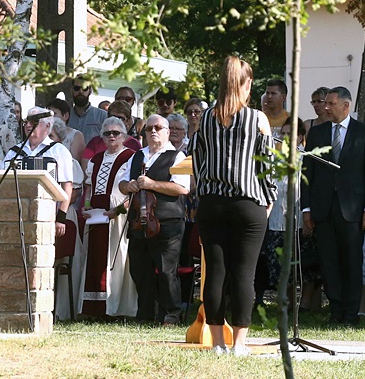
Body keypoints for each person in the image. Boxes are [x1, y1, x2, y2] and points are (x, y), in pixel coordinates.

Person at [190, 56, 277, 355]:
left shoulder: (205, 118)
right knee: (243, 273)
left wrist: (204, 191)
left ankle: (216, 343)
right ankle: (239, 343)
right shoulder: (258, 119)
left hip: (212, 203)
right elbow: (268, 166)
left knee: (214, 272)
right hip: (247, 203)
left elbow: (197, 160)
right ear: (246, 83)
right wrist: (270, 199)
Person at [301, 86, 365, 326]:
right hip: (324, 209)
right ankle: (335, 311)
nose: (326, 107)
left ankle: (351, 313)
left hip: (353, 211)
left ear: (346, 106)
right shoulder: (317, 133)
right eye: (325, 103)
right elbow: (308, 173)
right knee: (329, 262)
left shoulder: (364, 132)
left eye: (331, 104)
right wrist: (307, 209)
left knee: (352, 262)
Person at [0, 106, 78, 318]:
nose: (27, 125)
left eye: (33, 122)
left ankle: (40, 310)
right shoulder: (13, 152)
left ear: (46, 126)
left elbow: (66, 187)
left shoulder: (58, 151)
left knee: (42, 263)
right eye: (26, 121)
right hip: (17, 218)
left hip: (47, 219)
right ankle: (16, 307)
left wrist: (60, 218)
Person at [120, 114, 189, 324]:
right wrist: (128, 186)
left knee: (167, 270)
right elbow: (121, 183)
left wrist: (151, 184)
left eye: (158, 128)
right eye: (148, 129)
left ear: (167, 132)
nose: (152, 132)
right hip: (138, 222)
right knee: (140, 270)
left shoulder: (177, 156)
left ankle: (171, 314)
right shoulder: (136, 156)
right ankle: (145, 314)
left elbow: (182, 188)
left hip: (167, 222)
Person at [80, 117, 137, 318]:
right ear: (102, 137)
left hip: (118, 215)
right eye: (107, 133)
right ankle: (92, 308)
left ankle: (115, 308)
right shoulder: (95, 160)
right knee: (94, 259)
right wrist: (86, 208)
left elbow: (133, 193)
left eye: (116, 133)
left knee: (116, 260)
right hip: (97, 215)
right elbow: (88, 188)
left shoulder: (131, 156)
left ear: (124, 136)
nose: (112, 136)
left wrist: (119, 211)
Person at [256, 118, 307, 310]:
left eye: (290, 134)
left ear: (300, 137)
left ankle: (297, 306)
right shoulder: (273, 160)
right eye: (283, 134)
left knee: (297, 267)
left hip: (298, 221)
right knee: (277, 267)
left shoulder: (305, 159)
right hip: (275, 220)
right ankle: (281, 304)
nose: (285, 138)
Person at [46, 98, 86, 165]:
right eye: (48, 114)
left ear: (66, 116)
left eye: (54, 114)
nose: (50, 117)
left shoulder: (76, 135)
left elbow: (74, 162)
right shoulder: (43, 133)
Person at [70, 77, 108, 142]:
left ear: (90, 91)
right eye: (77, 88)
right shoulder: (66, 116)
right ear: (72, 90)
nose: (80, 91)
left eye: (84, 88)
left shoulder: (102, 116)